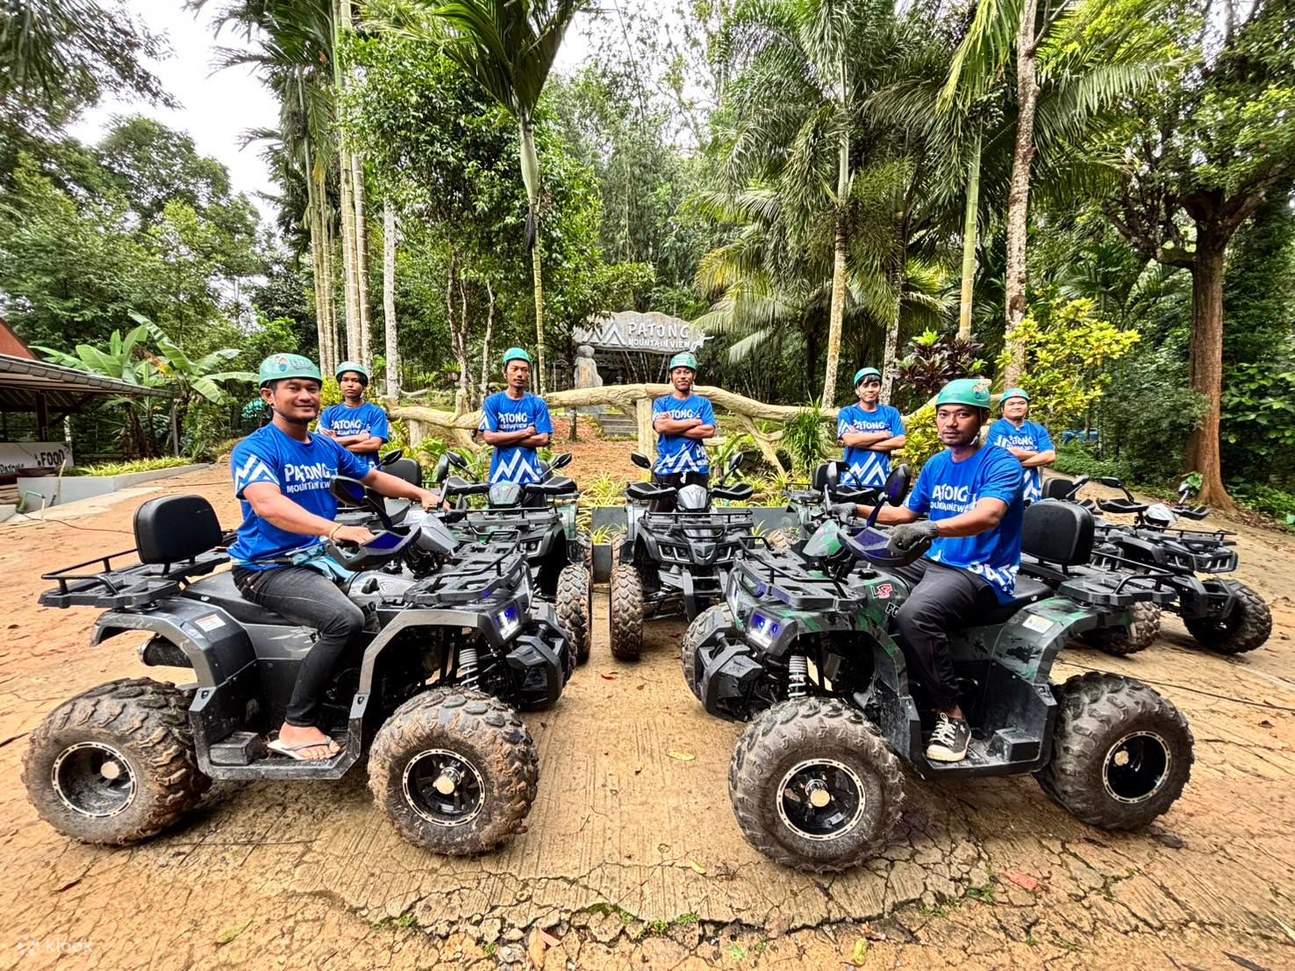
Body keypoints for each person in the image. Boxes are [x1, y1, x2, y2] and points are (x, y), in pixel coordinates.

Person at [230, 353, 442, 761]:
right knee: (343, 620)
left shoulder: (324, 446)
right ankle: (296, 724)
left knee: (396, 596)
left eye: (311, 388)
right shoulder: (255, 449)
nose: (306, 396)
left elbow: (373, 477)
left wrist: (419, 493)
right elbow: (268, 505)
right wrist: (334, 528)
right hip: (269, 567)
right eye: (294, 388)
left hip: (316, 557)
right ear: (269, 396)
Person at [833, 378, 1025, 764]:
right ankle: (867, 674)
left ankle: (951, 714)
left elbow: (989, 515)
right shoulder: (938, 464)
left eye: (962, 414)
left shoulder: (1001, 463)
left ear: (982, 419)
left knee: (915, 616)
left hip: (980, 570)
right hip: (936, 558)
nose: (950, 422)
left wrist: (932, 528)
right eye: (943, 414)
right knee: (862, 578)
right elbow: (905, 514)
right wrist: (852, 509)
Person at [651, 352, 716, 509]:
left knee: (698, 518)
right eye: (678, 372)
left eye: (687, 372)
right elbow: (660, 427)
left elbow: (708, 431)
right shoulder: (661, 403)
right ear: (671, 376)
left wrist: (672, 426)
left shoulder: (703, 403)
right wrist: (693, 422)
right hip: (667, 467)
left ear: (693, 375)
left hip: (697, 468)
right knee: (661, 518)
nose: (682, 376)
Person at [479, 347, 553, 485]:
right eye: (515, 369)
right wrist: (525, 433)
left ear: (529, 374)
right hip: (500, 479)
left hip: (531, 479)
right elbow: (489, 437)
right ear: (504, 372)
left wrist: (502, 437)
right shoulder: (492, 402)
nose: (520, 374)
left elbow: (543, 439)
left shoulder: (537, 403)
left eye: (524, 370)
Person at [836, 367, 906, 489]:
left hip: (882, 480)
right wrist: (883, 435)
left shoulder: (891, 413)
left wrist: (860, 441)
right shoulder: (847, 412)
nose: (870, 389)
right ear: (857, 390)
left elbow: (901, 441)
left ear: (879, 388)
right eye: (865, 385)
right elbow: (849, 440)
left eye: (874, 385)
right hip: (852, 480)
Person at [985, 388, 1055, 503]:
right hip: (1003, 483)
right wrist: (1037, 454)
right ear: (1003, 408)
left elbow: (1050, 456)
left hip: (1031, 488)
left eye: (1021, 403)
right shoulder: (998, 428)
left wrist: (1019, 462)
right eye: (1011, 404)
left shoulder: (1037, 429)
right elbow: (1007, 454)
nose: (1017, 406)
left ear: (1027, 407)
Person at [318, 361, 390, 471]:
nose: (350, 384)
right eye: (345, 380)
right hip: (338, 473)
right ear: (340, 384)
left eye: (355, 380)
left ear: (363, 385)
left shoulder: (376, 412)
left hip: (368, 474)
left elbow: (374, 444)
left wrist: (336, 442)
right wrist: (359, 438)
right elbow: (322, 445)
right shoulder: (329, 413)